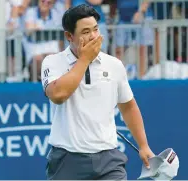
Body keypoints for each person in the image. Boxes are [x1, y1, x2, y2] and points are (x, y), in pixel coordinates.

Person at [41, 4, 154, 180]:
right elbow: (58, 95)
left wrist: (144, 145)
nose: (93, 36)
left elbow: (128, 107)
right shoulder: (52, 62)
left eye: (95, 29)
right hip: (67, 160)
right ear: (69, 36)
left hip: (109, 160)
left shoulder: (114, 64)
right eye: (85, 32)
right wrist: (85, 59)